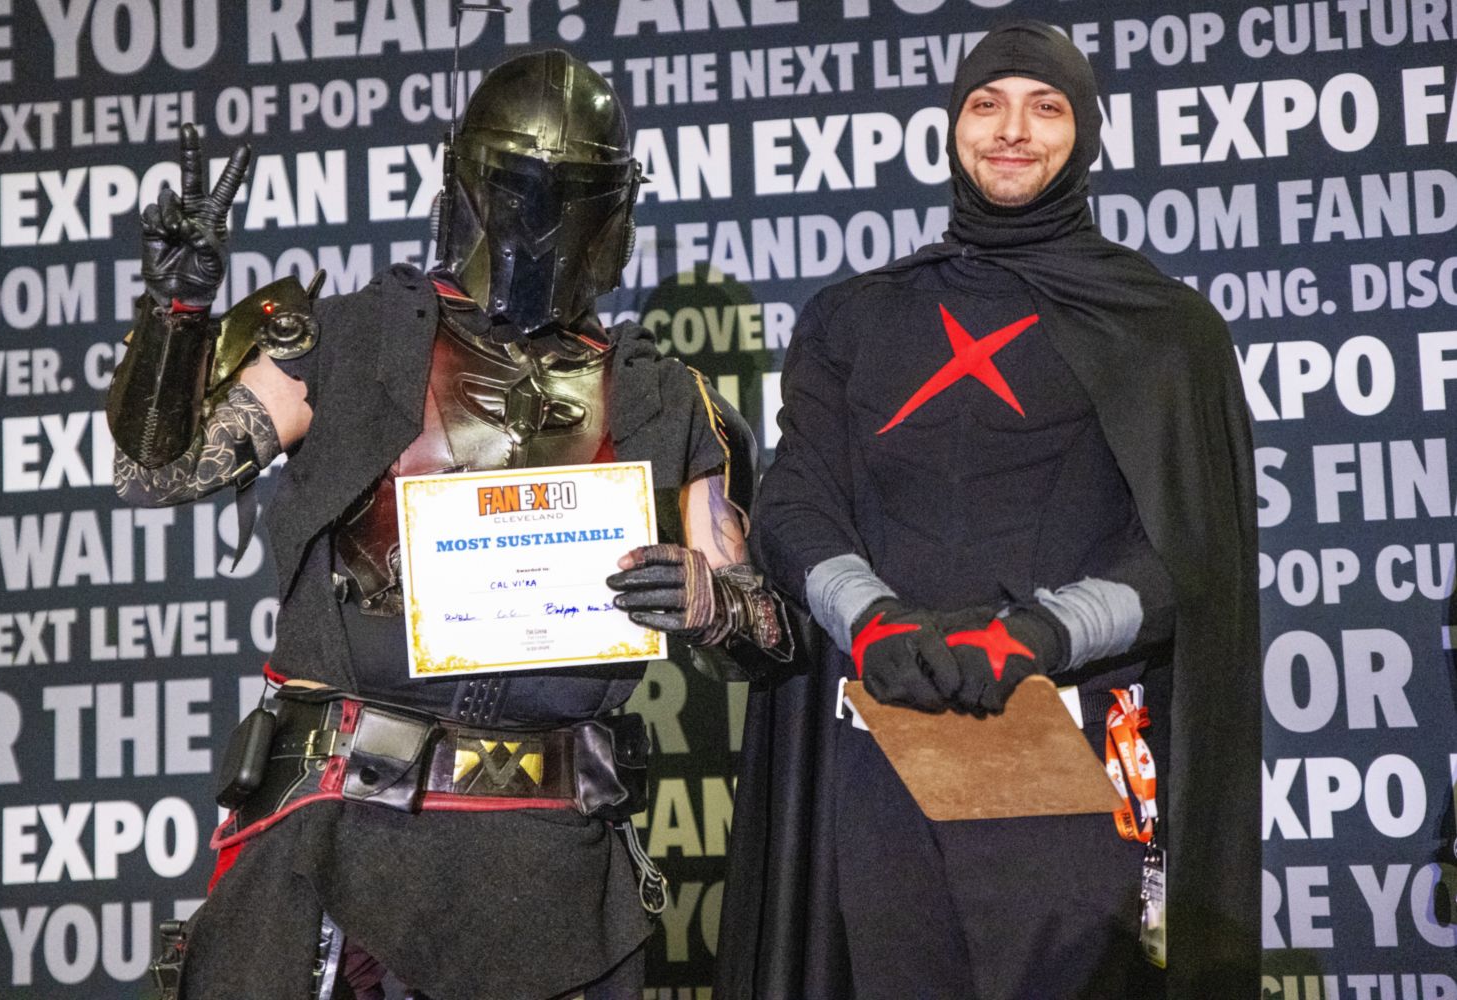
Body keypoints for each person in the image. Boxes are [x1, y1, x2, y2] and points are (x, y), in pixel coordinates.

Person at [110, 50, 791, 1000]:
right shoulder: (349, 341)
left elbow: (768, 635)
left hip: (554, 868)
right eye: (517, 188)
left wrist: (711, 600)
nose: (540, 223)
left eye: (573, 193)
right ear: (469, 180)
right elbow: (158, 473)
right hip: (343, 839)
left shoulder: (665, 400)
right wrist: (175, 314)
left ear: (615, 207)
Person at [715, 20, 1260, 1000]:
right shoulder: (857, 316)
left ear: (1086, 132)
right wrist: (868, 617)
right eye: (986, 103)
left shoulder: (1164, 330)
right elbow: (797, 502)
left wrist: (1036, 635)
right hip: (891, 749)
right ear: (951, 125)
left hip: (1075, 744)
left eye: (1045, 107)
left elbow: (1187, 554)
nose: (1013, 130)